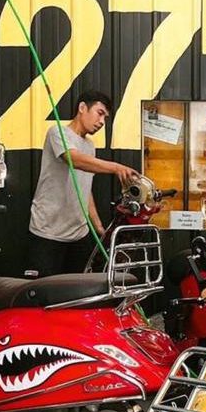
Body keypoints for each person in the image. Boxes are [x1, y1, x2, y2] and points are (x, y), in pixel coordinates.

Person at [27, 90, 140, 277]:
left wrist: (99, 227)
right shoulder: (58, 133)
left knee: (79, 290)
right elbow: (73, 159)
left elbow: (84, 189)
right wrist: (116, 167)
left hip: (79, 234)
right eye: (99, 113)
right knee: (44, 291)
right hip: (47, 232)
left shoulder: (89, 146)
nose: (102, 122)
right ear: (82, 108)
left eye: (105, 118)